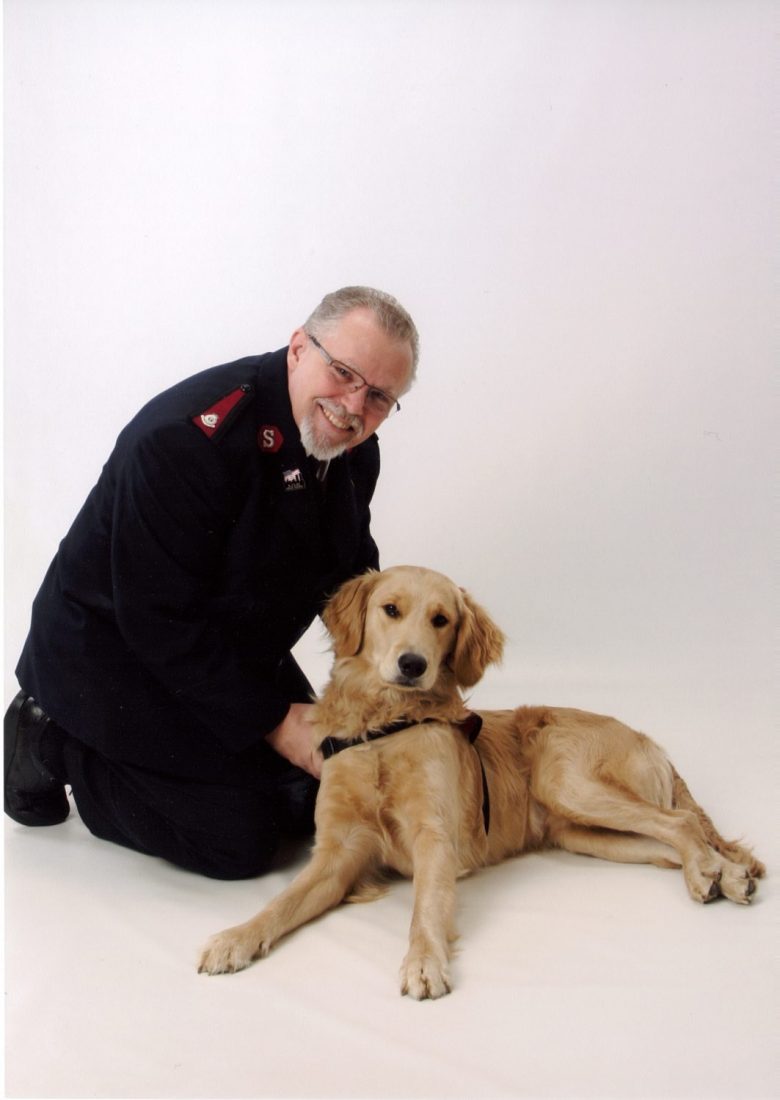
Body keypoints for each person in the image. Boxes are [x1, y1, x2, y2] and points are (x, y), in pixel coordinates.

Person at [4, 286, 418, 879]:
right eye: (345, 373)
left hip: (223, 642)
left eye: (379, 396)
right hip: (114, 656)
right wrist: (279, 722)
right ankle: (53, 737)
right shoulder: (187, 440)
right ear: (299, 347)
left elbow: (348, 571)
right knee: (238, 839)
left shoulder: (354, 447)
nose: (355, 406)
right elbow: (157, 622)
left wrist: (396, 674)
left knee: (320, 793)